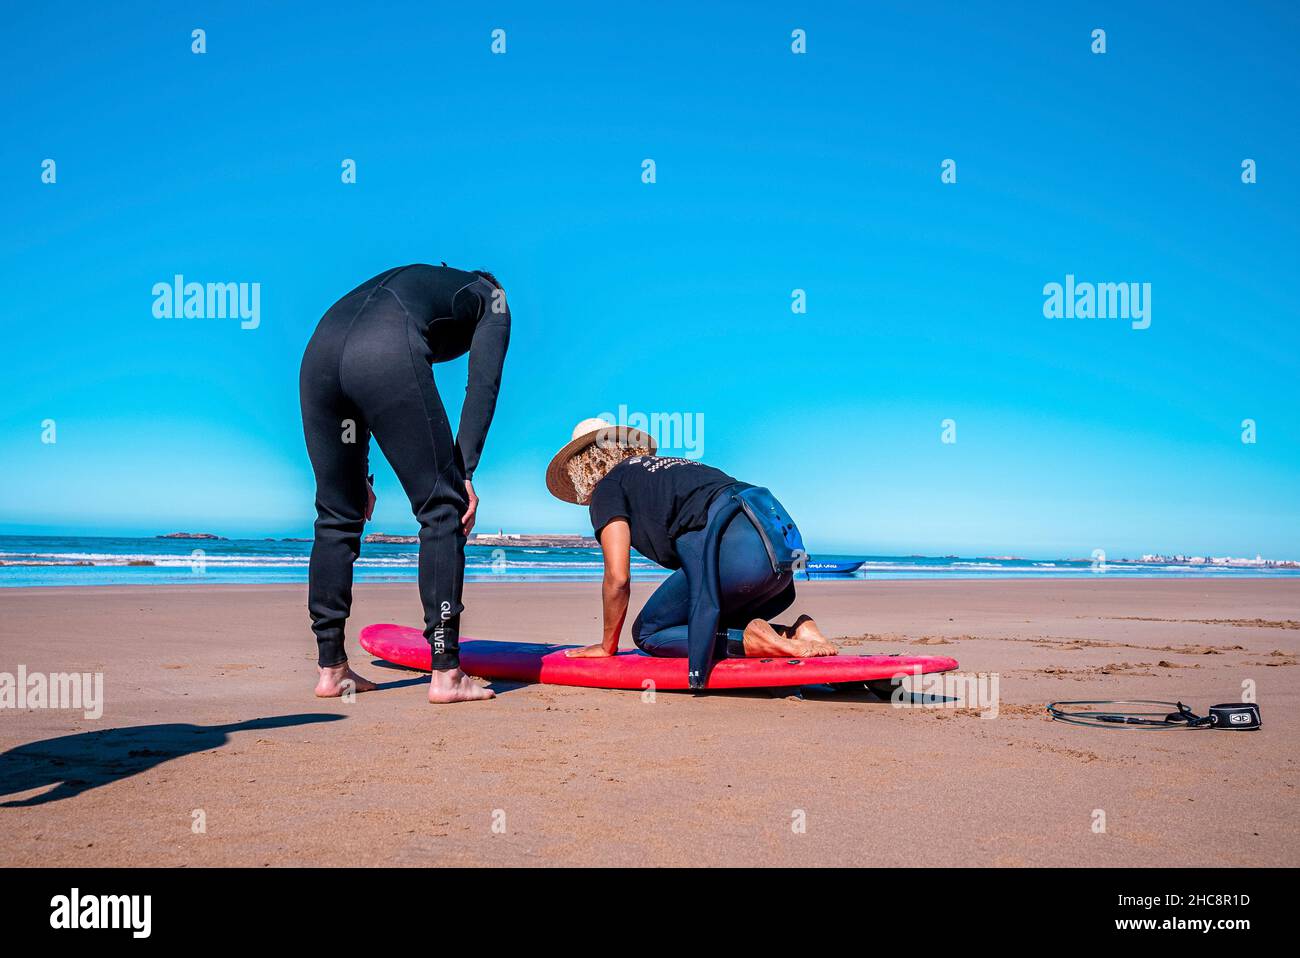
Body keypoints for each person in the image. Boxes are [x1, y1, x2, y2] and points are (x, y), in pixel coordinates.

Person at [299, 264, 509, 703]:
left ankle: (331, 669)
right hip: (384, 348)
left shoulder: (415, 282)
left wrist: (360, 477)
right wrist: (464, 473)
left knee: (337, 515)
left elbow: (359, 374)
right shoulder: (492, 297)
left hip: (319, 354)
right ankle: (447, 672)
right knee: (442, 510)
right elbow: (482, 384)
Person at [545, 418, 836, 689]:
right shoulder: (673, 469)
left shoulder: (608, 487)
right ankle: (795, 631)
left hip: (735, 564)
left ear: (580, 467)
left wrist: (607, 645)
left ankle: (753, 641)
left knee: (649, 633)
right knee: (695, 612)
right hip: (778, 567)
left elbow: (618, 577)